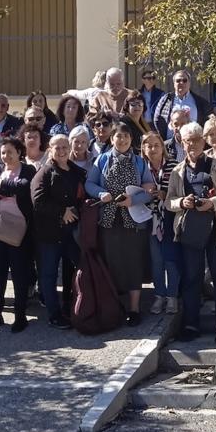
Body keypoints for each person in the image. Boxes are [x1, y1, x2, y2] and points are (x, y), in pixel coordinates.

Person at [166, 122, 216, 341]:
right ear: (182, 142)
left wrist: (212, 202)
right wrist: (182, 202)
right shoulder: (178, 171)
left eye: (197, 139)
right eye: (188, 140)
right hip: (190, 233)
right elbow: (168, 202)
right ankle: (190, 325)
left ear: (203, 140)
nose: (193, 144)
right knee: (191, 279)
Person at [87, 117, 154, 324]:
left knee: (133, 264)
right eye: (118, 136)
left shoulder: (140, 161)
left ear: (130, 139)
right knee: (112, 263)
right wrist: (100, 194)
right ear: (112, 138)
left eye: (126, 136)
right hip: (108, 221)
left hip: (133, 221)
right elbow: (90, 183)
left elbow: (149, 191)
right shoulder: (102, 160)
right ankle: (115, 306)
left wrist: (133, 200)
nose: (122, 140)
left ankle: (134, 309)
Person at [0, 138, 36, 332]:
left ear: (20, 152)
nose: (6, 156)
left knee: (19, 273)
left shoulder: (28, 170)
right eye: (3, 153)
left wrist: (2, 186)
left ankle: (20, 316)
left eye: (10, 152)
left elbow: (24, 186)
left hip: (20, 229)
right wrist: (6, 189)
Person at [30, 133, 85, 328]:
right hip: (49, 234)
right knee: (49, 274)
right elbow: (38, 202)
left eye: (64, 147)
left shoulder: (77, 172)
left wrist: (74, 211)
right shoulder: (43, 173)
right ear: (50, 150)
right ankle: (54, 314)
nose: (61, 151)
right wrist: (62, 212)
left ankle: (75, 307)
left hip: (72, 233)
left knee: (79, 269)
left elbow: (83, 198)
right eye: (57, 148)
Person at [142, 130, 180, 314]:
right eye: (149, 145)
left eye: (156, 145)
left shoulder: (173, 164)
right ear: (143, 148)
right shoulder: (141, 165)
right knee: (156, 260)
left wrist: (166, 195)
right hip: (149, 218)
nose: (153, 148)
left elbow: (180, 189)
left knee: (171, 259)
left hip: (170, 218)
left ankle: (172, 297)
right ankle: (159, 296)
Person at [153, 69, 210, 140]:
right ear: (174, 83)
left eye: (184, 80)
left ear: (189, 83)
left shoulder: (200, 102)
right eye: (178, 81)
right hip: (170, 145)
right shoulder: (166, 99)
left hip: (192, 143)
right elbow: (157, 119)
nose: (181, 83)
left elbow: (207, 122)